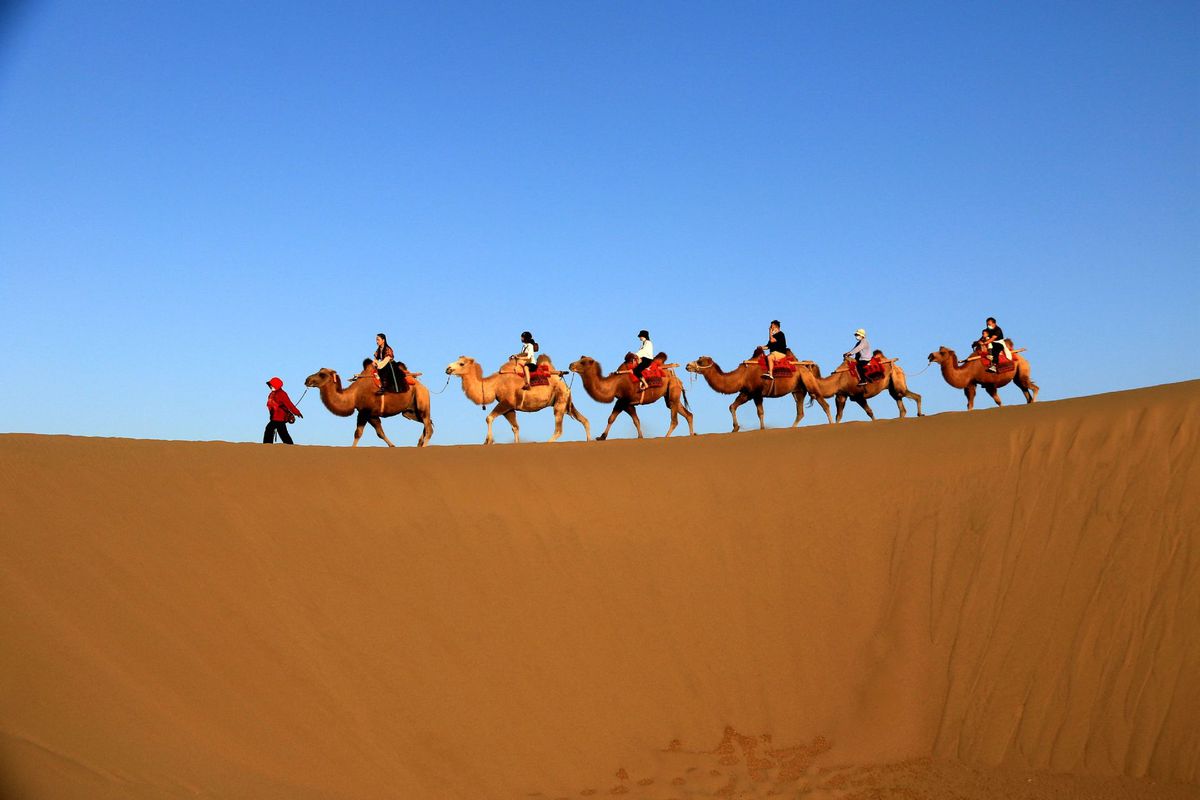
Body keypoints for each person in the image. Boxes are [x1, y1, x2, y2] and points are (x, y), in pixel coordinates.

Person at [263, 377, 302, 444]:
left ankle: (267, 446)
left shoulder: (282, 394)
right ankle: (290, 446)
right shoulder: (272, 393)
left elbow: (289, 404)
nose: (270, 386)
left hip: (279, 417)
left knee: (270, 429)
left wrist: (297, 412)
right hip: (274, 417)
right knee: (283, 433)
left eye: (271, 385)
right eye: (270, 385)